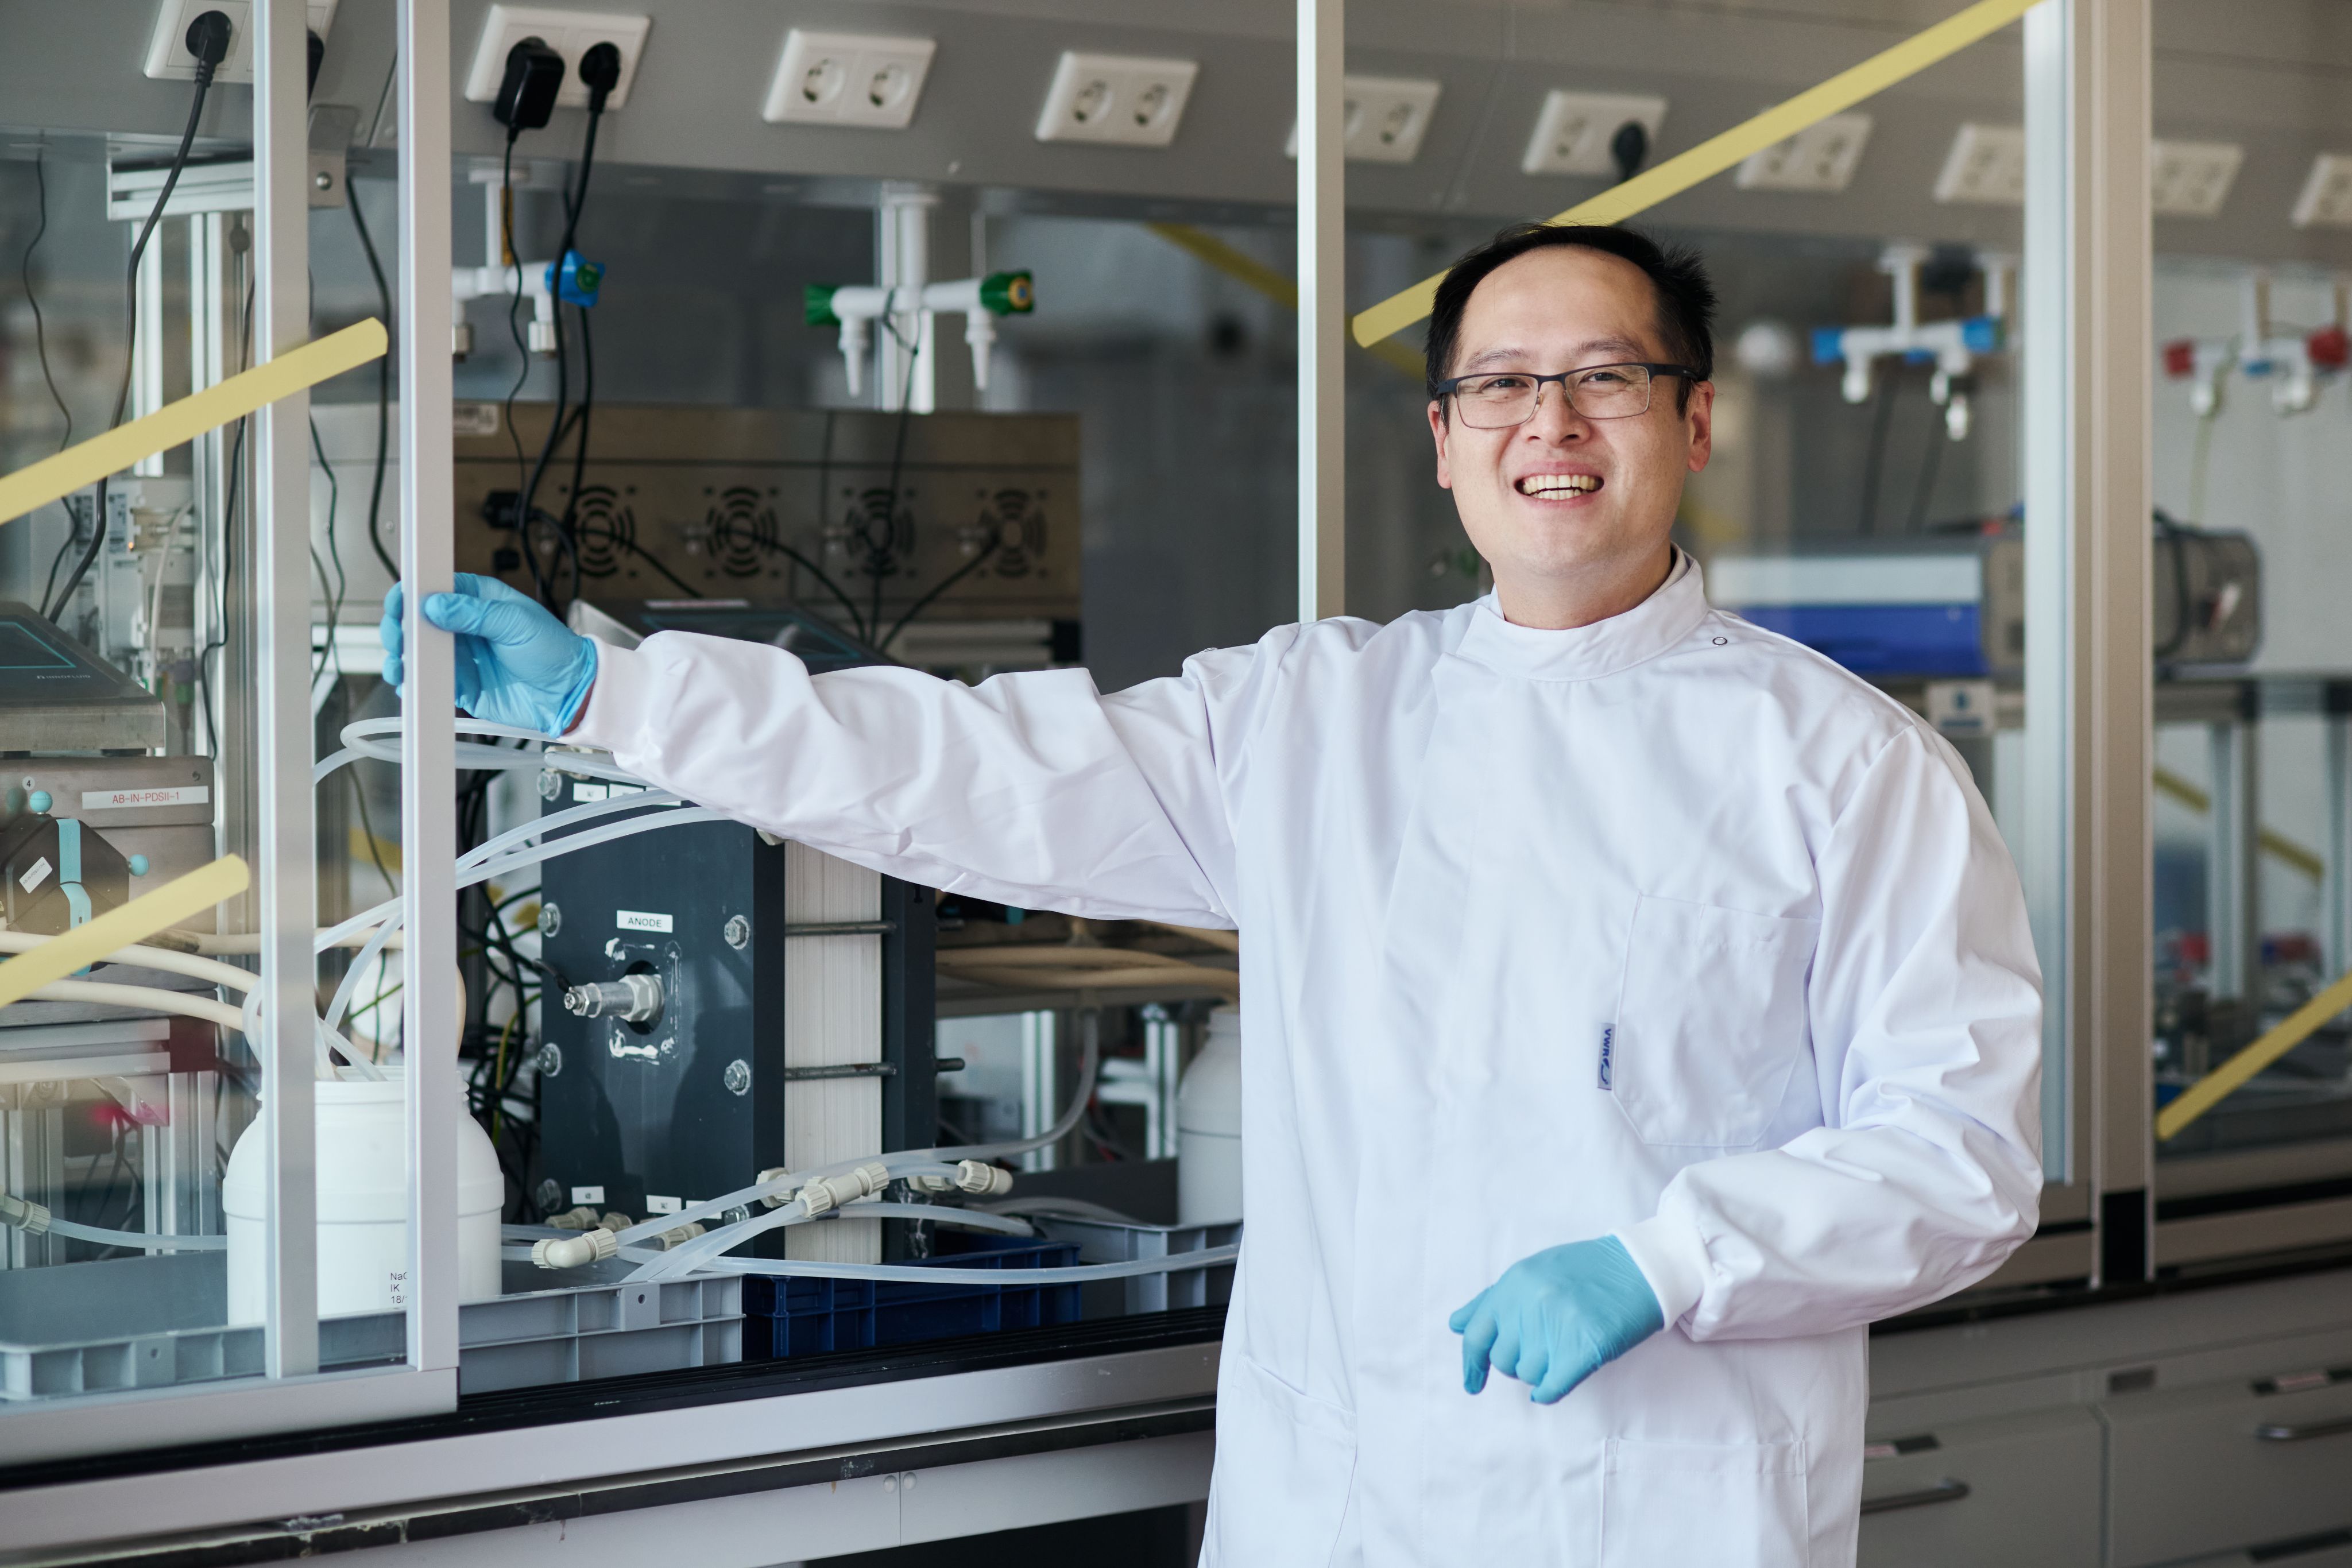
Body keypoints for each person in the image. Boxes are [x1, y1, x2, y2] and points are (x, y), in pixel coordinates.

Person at [385, 222, 2041, 1567]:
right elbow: (971, 772)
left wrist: (1670, 1258)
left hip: (1668, 1506)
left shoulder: (1844, 763)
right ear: (1446, 440)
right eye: (1505, 385)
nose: (1554, 423)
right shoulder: (1319, 715)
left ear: (1690, 422)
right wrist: (622, 696)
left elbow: (1964, 1152)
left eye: (1606, 378)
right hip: (1345, 1501)